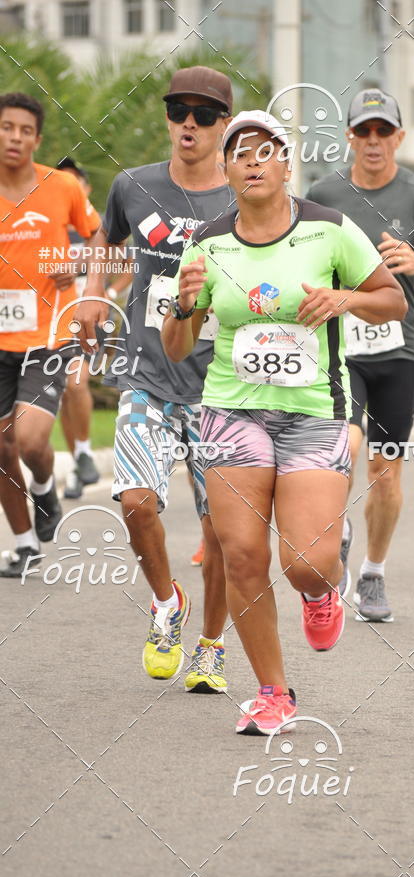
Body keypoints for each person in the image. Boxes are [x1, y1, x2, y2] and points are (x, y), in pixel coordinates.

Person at [163, 110, 407, 735]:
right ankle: (273, 692)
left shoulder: (329, 230)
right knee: (242, 554)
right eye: (240, 152)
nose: (253, 161)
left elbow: (393, 300)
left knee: (305, 562)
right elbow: (176, 347)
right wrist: (183, 305)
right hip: (231, 411)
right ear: (225, 169)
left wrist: (345, 298)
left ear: (286, 163)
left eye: (266, 150)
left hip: (313, 412)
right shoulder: (207, 244)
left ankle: (322, 590)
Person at [76, 67, 231, 691]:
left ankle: (212, 646)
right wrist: (92, 292)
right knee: (137, 504)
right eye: (178, 111)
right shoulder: (133, 185)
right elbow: (103, 237)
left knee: (222, 534)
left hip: (223, 391)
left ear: (224, 125)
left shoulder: (245, 198)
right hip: (148, 377)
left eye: (204, 114)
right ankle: (167, 604)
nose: (188, 124)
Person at [306, 88, 414, 620]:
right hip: (339, 348)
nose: (373, 141)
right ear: (350, 137)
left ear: (399, 137)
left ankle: (373, 573)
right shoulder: (323, 193)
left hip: (398, 352)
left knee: (386, 468)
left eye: (383, 131)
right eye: (363, 131)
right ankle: (340, 530)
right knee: (343, 451)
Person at [0, 92, 100, 578]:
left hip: (48, 334)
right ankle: (24, 545)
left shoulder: (61, 186)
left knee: (30, 440)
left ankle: (43, 486)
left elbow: (101, 236)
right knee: (2, 448)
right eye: (6, 127)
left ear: (37, 140)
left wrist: (79, 267)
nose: (14, 137)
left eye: (25, 130)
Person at [55, 156, 102, 498]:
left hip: (87, 316)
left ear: (85, 187)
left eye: (74, 181)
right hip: (51, 318)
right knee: (62, 394)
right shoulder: (46, 222)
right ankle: (78, 463)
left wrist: (106, 293)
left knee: (76, 381)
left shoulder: (96, 225)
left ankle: (84, 452)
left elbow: (125, 258)